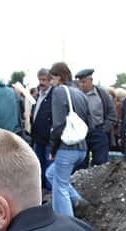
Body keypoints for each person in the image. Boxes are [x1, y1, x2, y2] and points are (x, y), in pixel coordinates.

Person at [46, 61, 90, 217]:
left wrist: (52, 149)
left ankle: (66, 225)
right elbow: (89, 122)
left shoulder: (59, 92)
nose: (51, 83)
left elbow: (58, 125)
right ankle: (77, 200)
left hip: (66, 148)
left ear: (59, 77)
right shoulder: (79, 93)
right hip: (81, 148)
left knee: (60, 188)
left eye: (52, 78)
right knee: (51, 174)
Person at [74, 69, 117, 168]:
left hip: (98, 131)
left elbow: (112, 114)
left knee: (100, 164)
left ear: (91, 80)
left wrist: (104, 129)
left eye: (84, 82)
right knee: (80, 164)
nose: (82, 85)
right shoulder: (76, 95)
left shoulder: (102, 94)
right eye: (80, 82)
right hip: (81, 134)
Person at [30, 68, 54, 192]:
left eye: (44, 80)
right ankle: (39, 191)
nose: (41, 82)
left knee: (49, 167)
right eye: (40, 79)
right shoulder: (39, 95)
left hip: (49, 138)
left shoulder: (53, 95)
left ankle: (49, 195)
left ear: (50, 81)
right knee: (39, 166)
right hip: (38, 137)